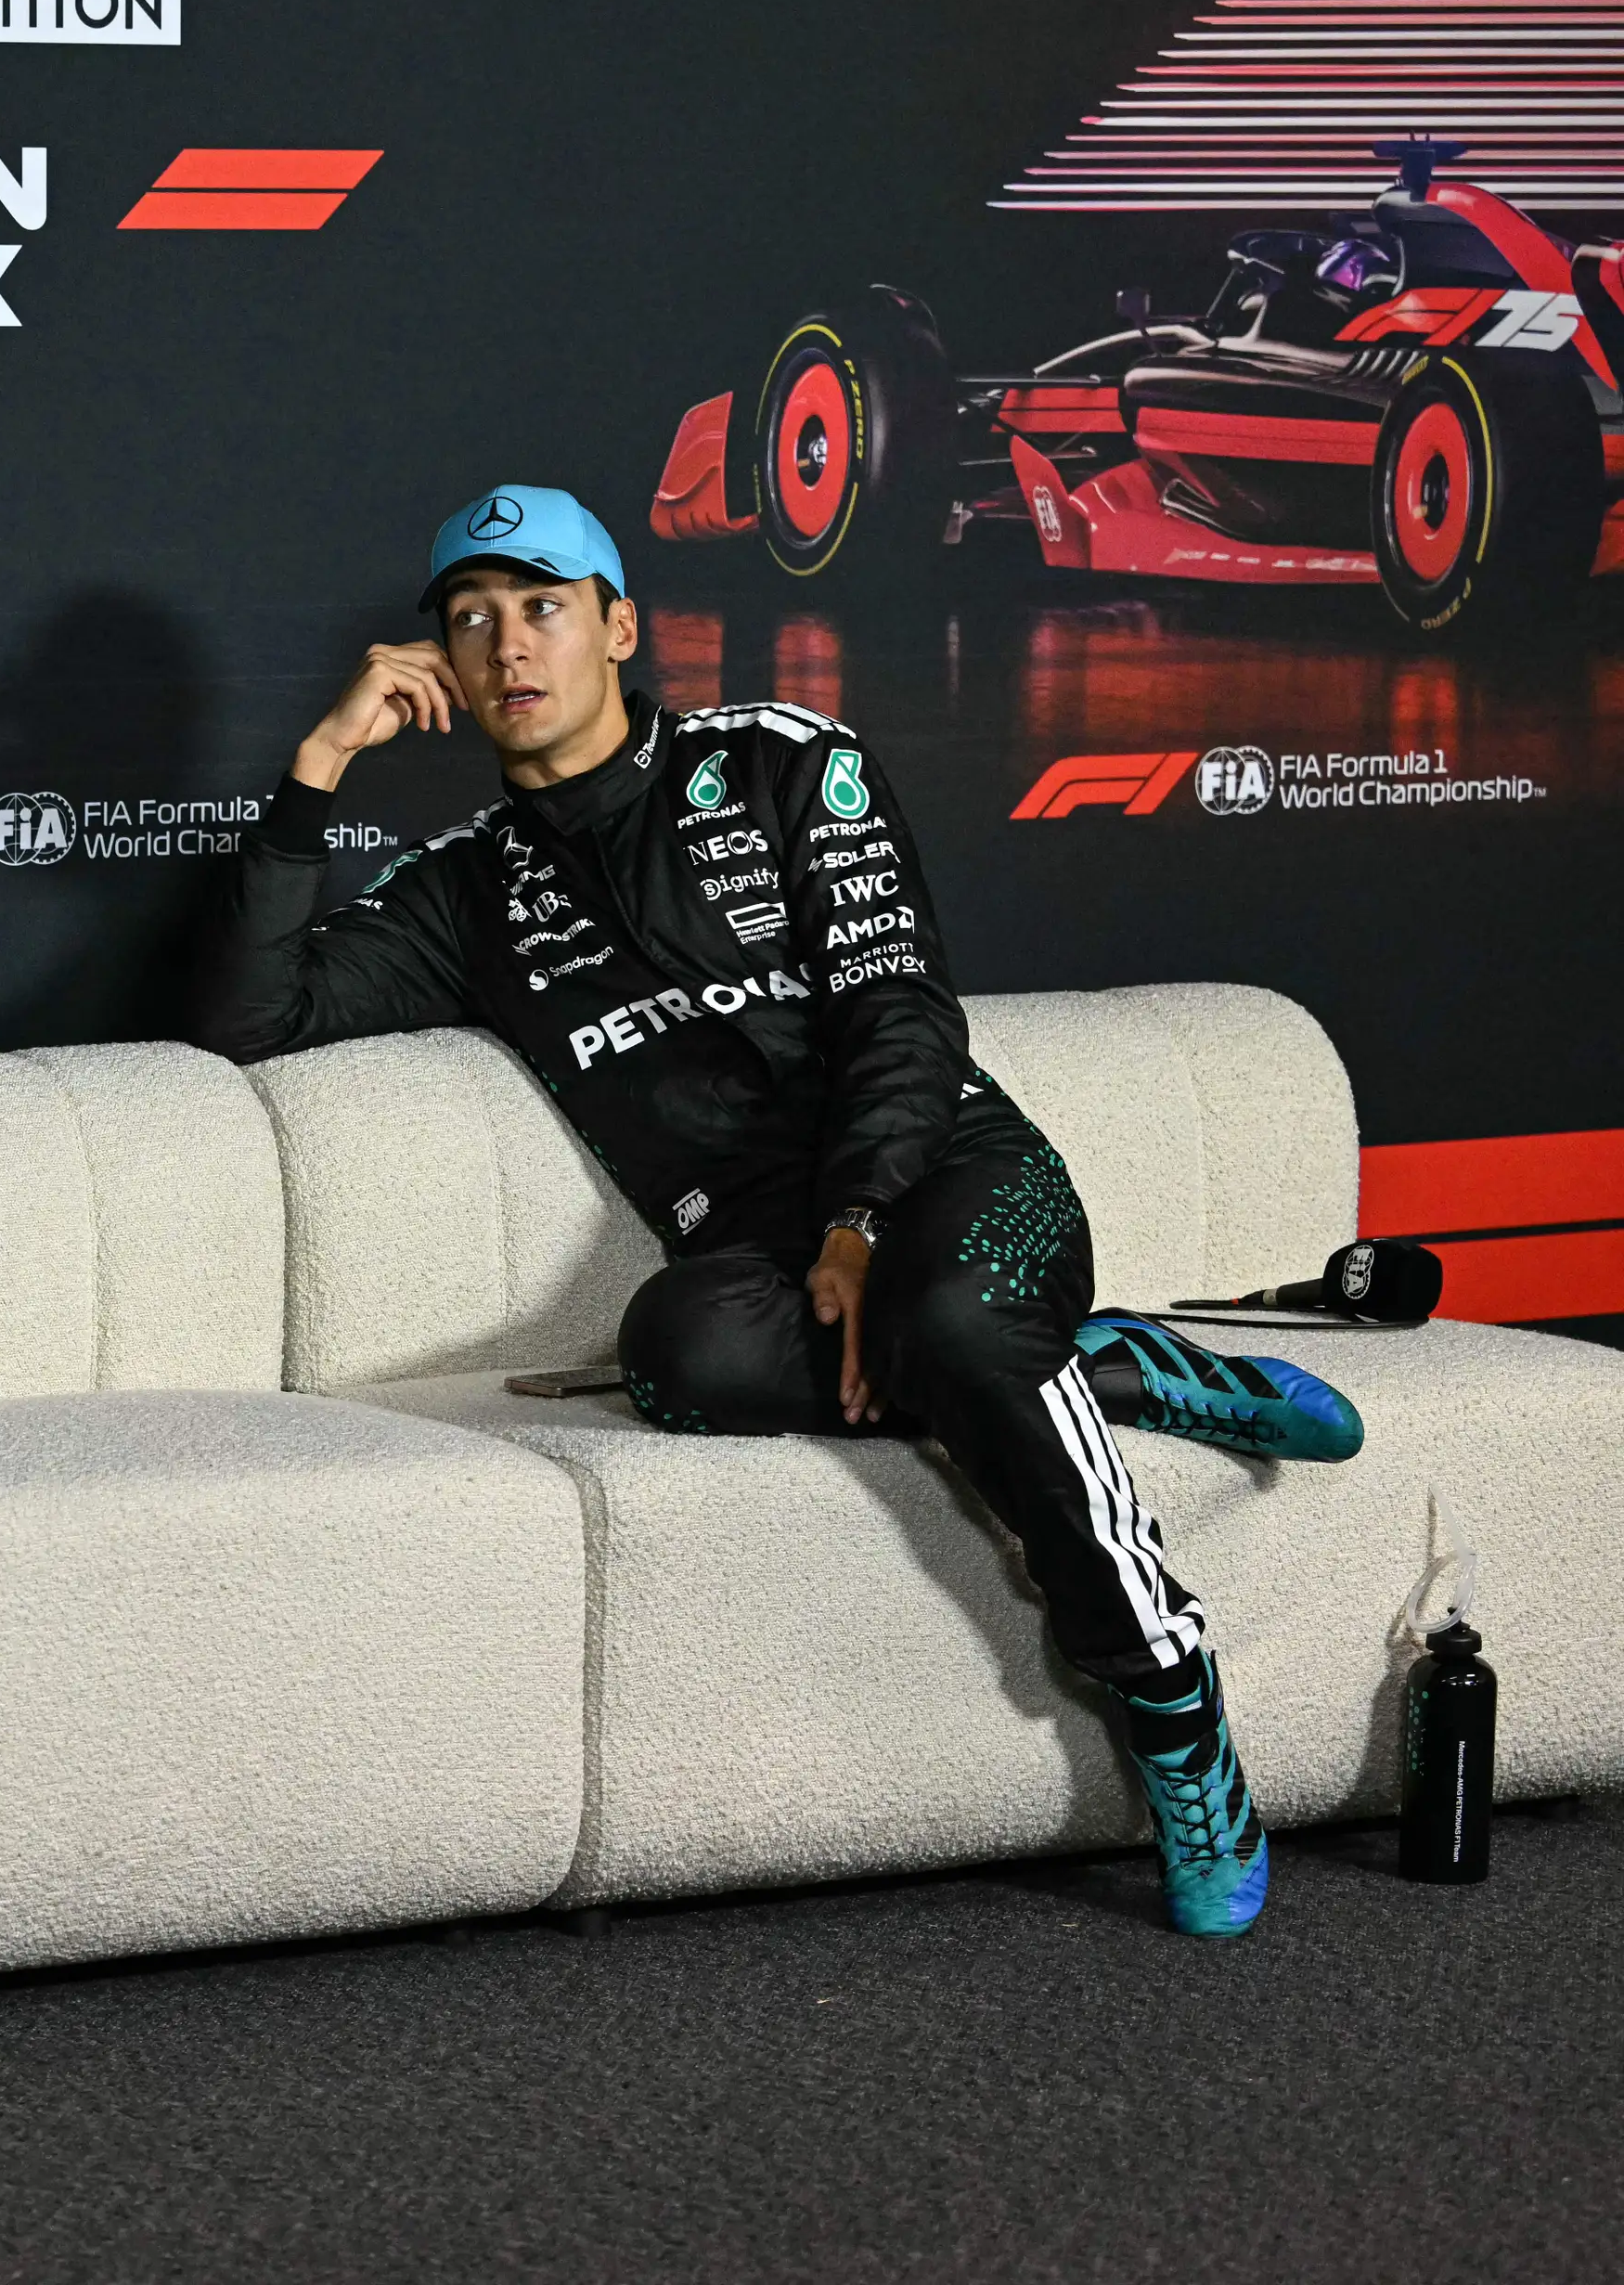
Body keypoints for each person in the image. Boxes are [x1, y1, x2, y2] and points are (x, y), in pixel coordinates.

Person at [195, 485, 1359, 1939]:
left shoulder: (778, 762)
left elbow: (900, 1010)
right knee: (675, 1354)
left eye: (543, 607)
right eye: (471, 620)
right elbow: (248, 1018)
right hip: (755, 1258)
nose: (507, 647)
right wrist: (315, 771)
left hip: (955, 1180)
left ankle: (1176, 1706)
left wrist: (862, 1218)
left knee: (946, 1312)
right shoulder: (465, 895)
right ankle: (1116, 1367)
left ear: (621, 627)